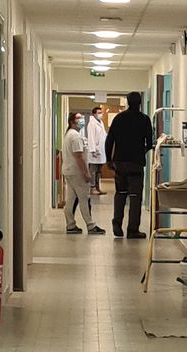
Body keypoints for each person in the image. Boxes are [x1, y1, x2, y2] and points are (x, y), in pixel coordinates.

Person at [105, 90, 157, 240]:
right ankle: (133, 230)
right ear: (140, 103)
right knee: (135, 197)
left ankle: (117, 224)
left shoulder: (119, 119)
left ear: (127, 102)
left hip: (120, 162)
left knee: (120, 194)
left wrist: (109, 159)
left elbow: (110, 141)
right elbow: (150, 142)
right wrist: (141, 151)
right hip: (136, 163)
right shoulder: (144, 119)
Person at [61, 112, 94, 233]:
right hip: (77, 172)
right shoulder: (75, 136)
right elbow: (79, 156)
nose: (82, 120)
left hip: (69, 171)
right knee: (84, 198)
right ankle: (90, 225)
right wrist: (86, 173)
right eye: (79, 118)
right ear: (72, 121)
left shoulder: (69, 134)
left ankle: (70, 225)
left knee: (70, 200)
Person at [83, 103, 107, 192]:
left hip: (101, 150)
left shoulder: (100, 123)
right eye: (99, 113)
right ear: (94, 114)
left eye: (101, 112)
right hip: (95, 151)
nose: (101, 114)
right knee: (93, 171)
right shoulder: (91, 124)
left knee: (99, 171)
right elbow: (91, 137)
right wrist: (93, 150)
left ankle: (97, 187)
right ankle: (92, 188)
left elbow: (103, 135)